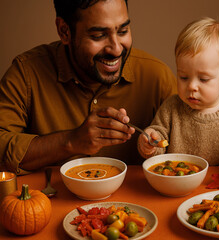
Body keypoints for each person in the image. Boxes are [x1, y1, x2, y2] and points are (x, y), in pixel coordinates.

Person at [0, 0, 177, 175]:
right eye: (98, 36)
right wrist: (70, 141)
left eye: (123, 31)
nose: (116, 49)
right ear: (64, 31)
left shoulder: (157, 76)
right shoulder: (26, 73)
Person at [137, 17, 219, 165]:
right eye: (184, 77)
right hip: (177, 184)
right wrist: (150, 143)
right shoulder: (171, 107)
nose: (191, 86)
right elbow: (159, 139)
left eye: (203, 79)